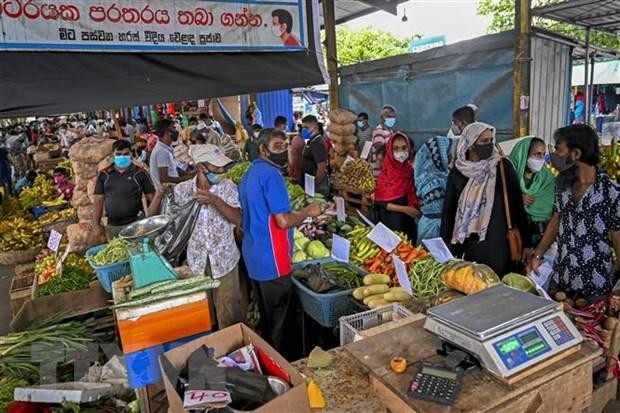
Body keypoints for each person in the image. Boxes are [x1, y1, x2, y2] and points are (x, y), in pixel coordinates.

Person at [239, 128, 321, 354]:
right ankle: (286, 371)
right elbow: (283, 221)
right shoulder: (272, 176)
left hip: (254, 257)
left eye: (284, 146)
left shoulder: (249, 175)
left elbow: (247, 216)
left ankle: (269, 362)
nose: (283, 151)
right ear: (263, 149)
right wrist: (308, 211)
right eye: (277, 147)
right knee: (282, 326)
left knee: (267, 320)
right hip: (273, 260)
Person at [529, 125, 620, 301]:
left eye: (558, 148)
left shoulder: (611, 192)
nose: (553, 154)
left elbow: (617, 237)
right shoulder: (562, 186)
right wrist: (538, 254)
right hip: (562, 281)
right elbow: (557, 220)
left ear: (576, 154)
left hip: (596, 286)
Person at [441, 122, 531, 276]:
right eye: (483, 141)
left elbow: (516, 206)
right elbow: (449, 211)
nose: (489, 145)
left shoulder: (502, 167)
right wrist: (445, 245)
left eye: (491, 140)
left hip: (497, 244)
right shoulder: (458, 172)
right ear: (470, 143)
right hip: (466, 246)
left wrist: (527, 243)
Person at [174, 144, 243, 329]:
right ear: (201, 167)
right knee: (203, 316)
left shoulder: (227, 188)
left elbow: (238, 219)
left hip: (225, 260)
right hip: (197, 261)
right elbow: (176, 224)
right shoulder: (183, 191)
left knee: (229, 313)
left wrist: (215, 201)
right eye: (217, 167)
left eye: (223, 167)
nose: (221, 171)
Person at [93, 140, 161, 240]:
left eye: (126, 154)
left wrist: (154, 222)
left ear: (131, 154)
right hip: (113, 226)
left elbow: (152, 197)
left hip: (137, 224)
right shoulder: (104, 174)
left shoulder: (140, 173)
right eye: (118, 154)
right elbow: (98, 199)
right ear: (113, 155)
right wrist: (96, 224)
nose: (122, 157)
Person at [508, 137, 556, 245]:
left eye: (543, 155)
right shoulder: (509, 176)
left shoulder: (547, 177)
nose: (540, 159)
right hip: (515, 236)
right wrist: (516, 199)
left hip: (540, 234)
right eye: (537, 154)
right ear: (524, 154)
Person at [374, 132, 420, 241]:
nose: (400, 152)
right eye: (396, 148)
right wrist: (405, 209)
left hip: (408, 224)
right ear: (390, 151)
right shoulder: (386, 173)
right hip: (390, 224)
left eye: (404, 148)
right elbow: (379, 201)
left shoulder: (410, 171)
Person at [414, 137, 452, 243]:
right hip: (432, 228)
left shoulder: (429, 173)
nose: (449, 156)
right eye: (446, 152)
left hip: (435, 224)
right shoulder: (433, 180)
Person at [149, 119, 194, 189]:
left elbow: (174, 169)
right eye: (174, 128)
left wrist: (191, 173)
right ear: (167, 132)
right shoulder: (162, 151)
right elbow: (164, 179)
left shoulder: (165, 148)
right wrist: (187, 178)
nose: (176, 131)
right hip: (168, 193)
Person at [300, 115, 329, 197]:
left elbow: (321, 167)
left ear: (315, 128)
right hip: (311, 182)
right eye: (302, 127)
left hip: (318, 186)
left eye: (306, 127)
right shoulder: (311, 141)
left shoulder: (317, 143)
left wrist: (314, 186)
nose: (303, 130)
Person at [371, 105, 397, 177]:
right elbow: (380, 152)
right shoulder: (379, 131)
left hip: (389, 171)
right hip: (381, 172)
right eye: (389, 117)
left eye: (393, 117)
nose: (392, 119)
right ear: (382, 118)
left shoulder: (390, 131)